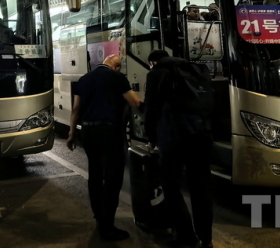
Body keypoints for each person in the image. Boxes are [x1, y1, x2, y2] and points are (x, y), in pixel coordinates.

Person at [66, 55, 142, 241]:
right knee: (112, 178)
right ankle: (107, 226)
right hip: (108, 132)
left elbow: (76, 109)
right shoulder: (117, 78)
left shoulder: (84, 79)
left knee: (95, 174)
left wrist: (71, 134)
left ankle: (99, 215)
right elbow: (134, 102)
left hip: (88, 132)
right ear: (116, 66)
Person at [144, 50, 214, 248]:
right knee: (201, 188)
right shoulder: (196, 69)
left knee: (171, 187)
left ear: (153, 62)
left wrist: (151, 137)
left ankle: (186, 236)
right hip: (201, 136)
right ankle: (206, 239)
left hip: (174, 138)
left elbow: (151, 108)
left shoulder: (157, 73)